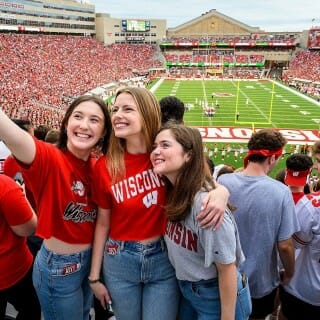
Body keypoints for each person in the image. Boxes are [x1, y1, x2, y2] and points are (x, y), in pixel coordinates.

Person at [89, 87, 229, 320]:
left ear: (146, 113)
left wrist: (222, 192)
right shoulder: (105, 165)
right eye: (115, 109)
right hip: (119, 258)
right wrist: (94, 276)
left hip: (164, 257)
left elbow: (204, 183)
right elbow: (103, 222)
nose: (117, 115)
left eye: (127, 109)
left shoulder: (167, 153)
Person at [0, 95, 112, 320]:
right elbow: (10, 133)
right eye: (78, 116)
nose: (84, 124)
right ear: (66, 122)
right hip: (59, 269)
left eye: (94, 120)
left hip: (89, 264)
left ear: (104, 132)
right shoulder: (49, 157)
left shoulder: (99, 166)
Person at [150, 124, 251, 320]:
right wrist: (221, 189)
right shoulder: (172, 190)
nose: (156, 151)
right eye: (155, 146)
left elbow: (227, 268)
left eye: (165, 145)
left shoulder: (205, 205)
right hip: (190, 289)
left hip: (216, 295)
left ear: (188, 155)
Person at [218, 128, 299, 320]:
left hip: (222, 278)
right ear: (272, 159)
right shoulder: (281, 192)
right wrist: (290, 272)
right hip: (260, 283)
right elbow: (285, 245)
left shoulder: (222, 181)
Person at [279, 154, 320, 319]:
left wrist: (288, 272)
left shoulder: (310, 205)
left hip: (305, 288)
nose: (317, 166)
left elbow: (289, 245)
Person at [0, 174, 40, 320]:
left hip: (13, 271)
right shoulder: (5, 186)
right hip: (14, 272)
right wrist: (21, 194)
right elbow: (28, 228)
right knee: (31, 308)